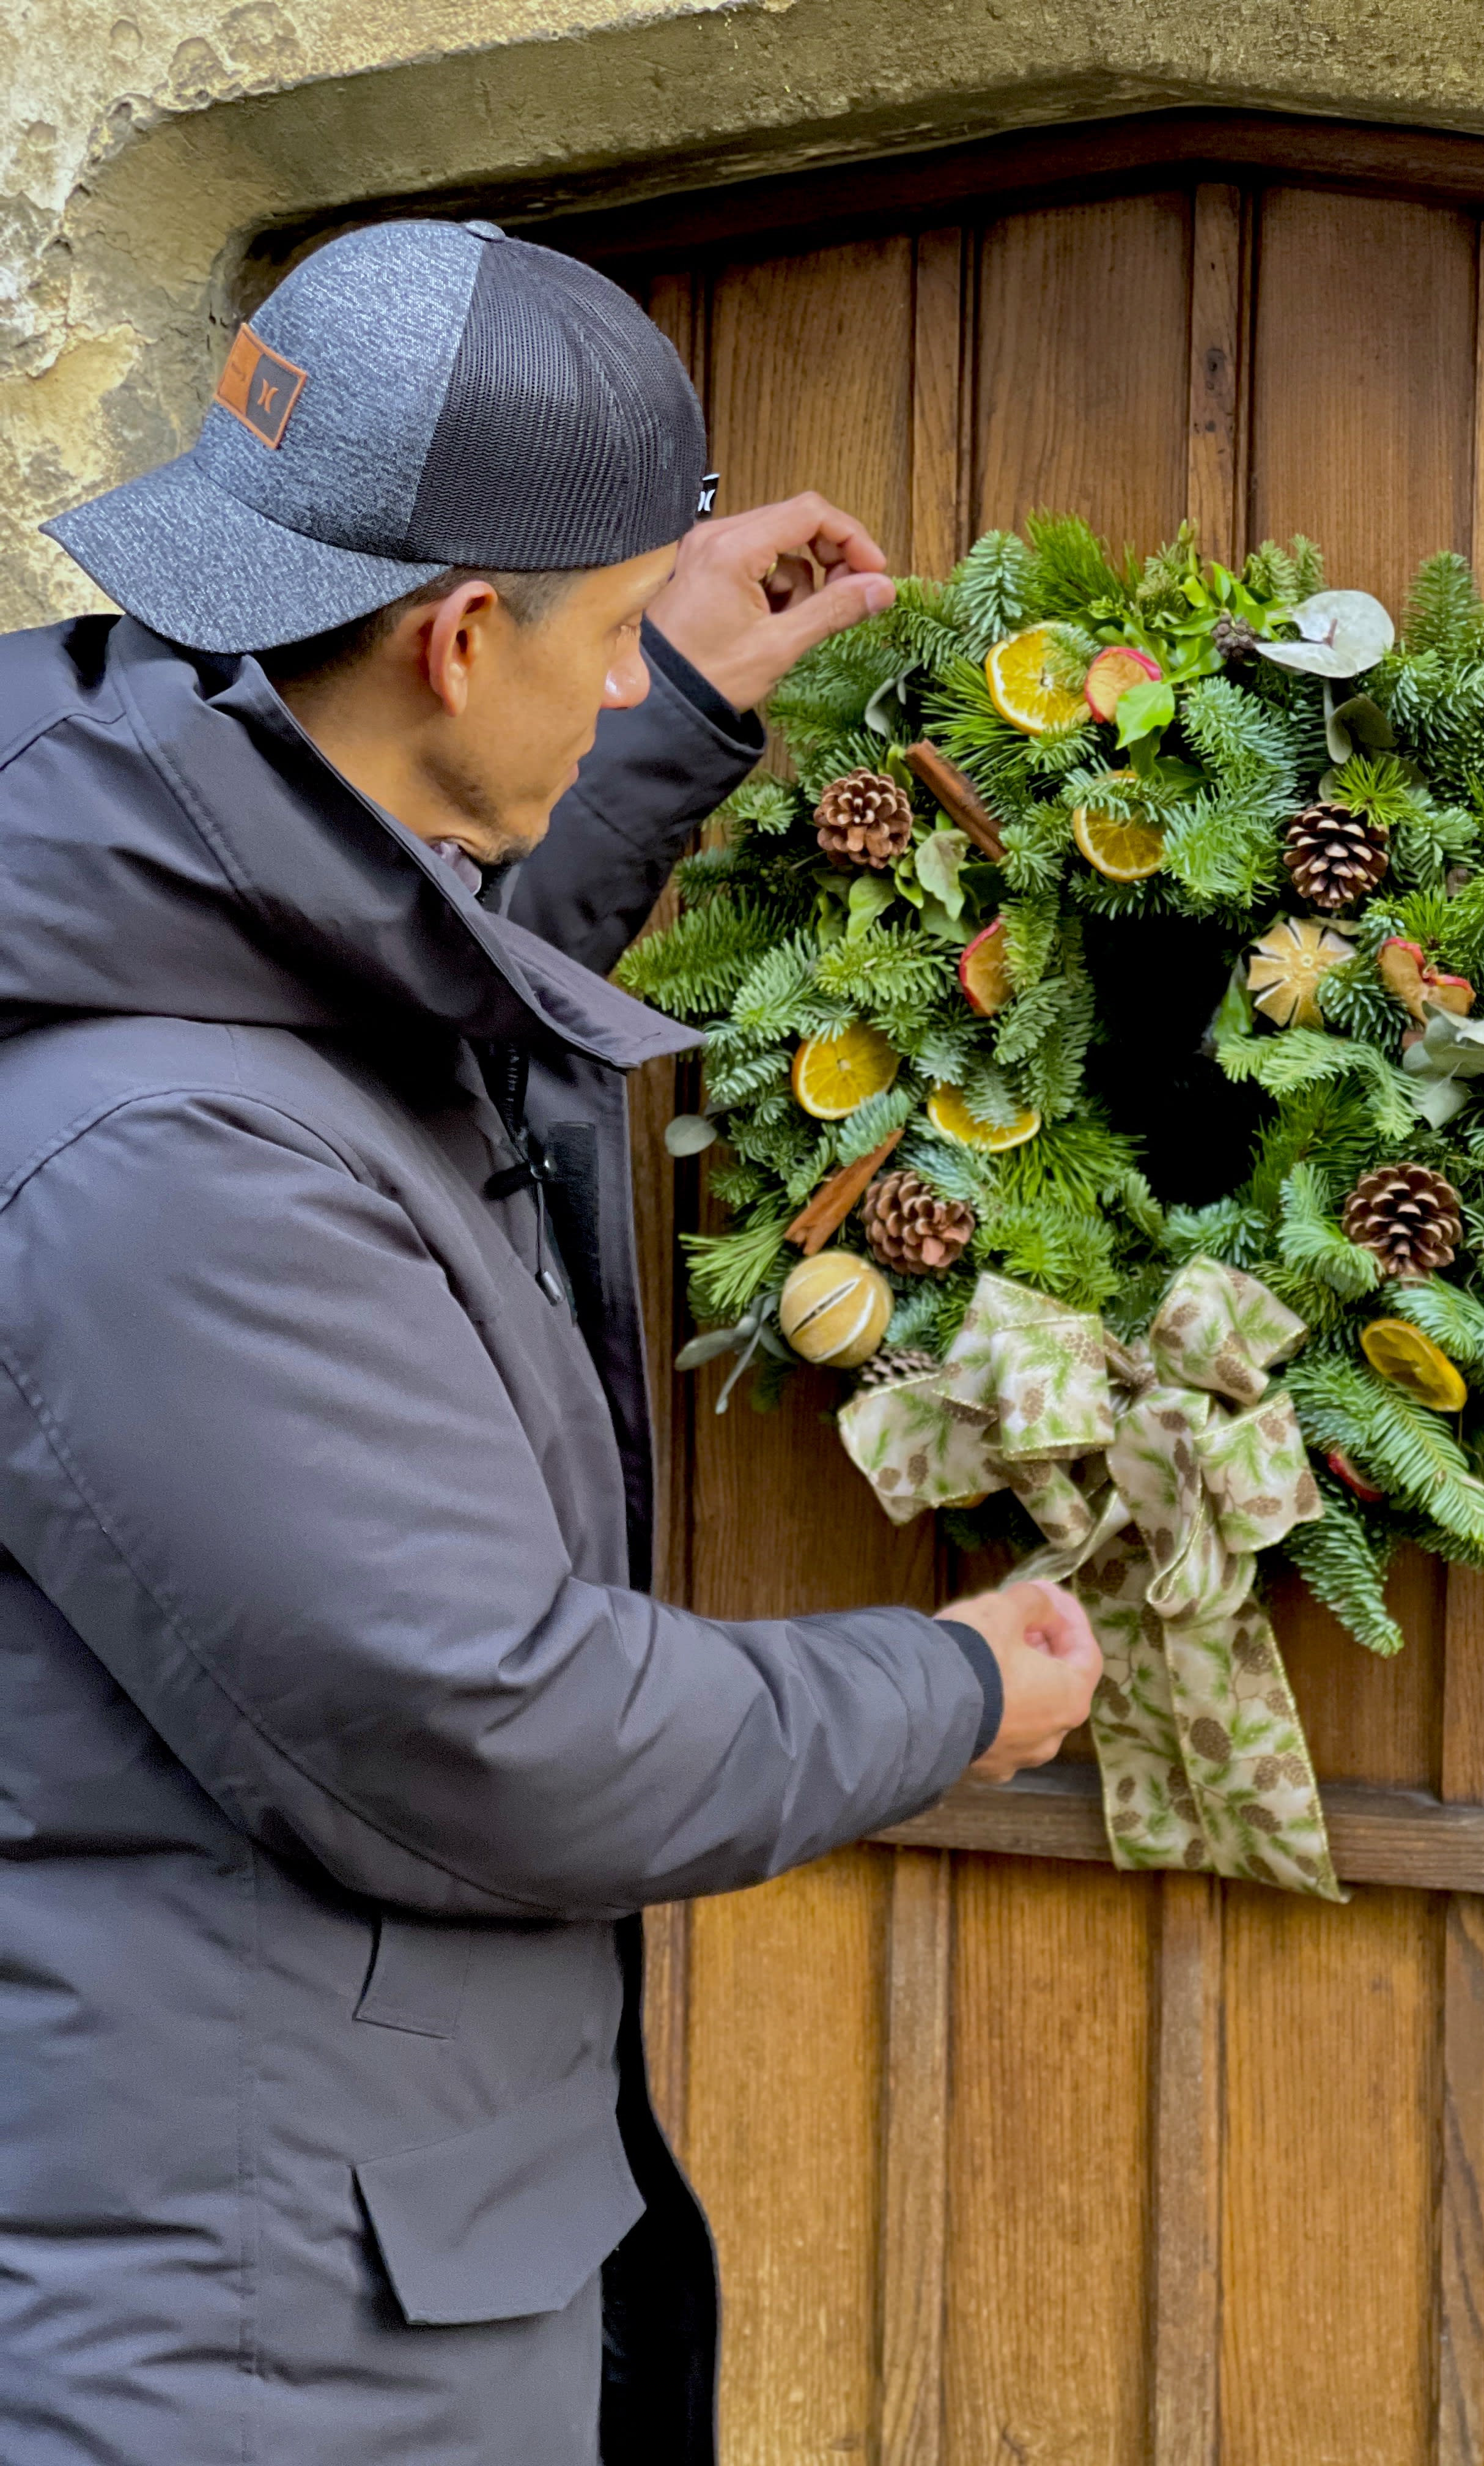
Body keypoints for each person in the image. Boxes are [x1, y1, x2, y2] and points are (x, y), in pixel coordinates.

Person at [0, 217, 1101, 2464]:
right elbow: (488, 1726)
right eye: (598, 638)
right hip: (249, 2340)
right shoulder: (156, 1167)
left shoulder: (190, 875)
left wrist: (675, 700)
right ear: (457, 629)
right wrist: (961, 1685)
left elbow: (405, 978)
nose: (613, 683)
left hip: (361, 2245)